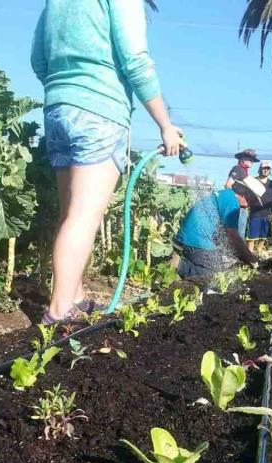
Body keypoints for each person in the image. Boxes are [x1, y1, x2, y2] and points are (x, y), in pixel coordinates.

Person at [31, 0, 183, 324]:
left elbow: (38, 60)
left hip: (58, 108)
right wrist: (165, 125)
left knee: (70, 212)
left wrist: (67, 88)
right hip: (99, 111)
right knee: (85, 214)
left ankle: (75, 297)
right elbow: (136, 61)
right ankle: (59, 311)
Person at [174, 177, 264, 278]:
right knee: (216, 277)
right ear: (246, 193)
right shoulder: (233, 203)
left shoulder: (226, 194)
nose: (249, 205)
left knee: (221, 265)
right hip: (196, 241)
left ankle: (182, 260)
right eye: (252, 200)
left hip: (187, 237)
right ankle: (178, 265)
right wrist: (250, 259)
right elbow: (233, 237)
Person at [224, 149, 260, 240]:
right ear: (242, 159)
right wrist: (238, 198)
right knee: (237, 233)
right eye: (249, 159)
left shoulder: (245, 173)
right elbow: (228, 185)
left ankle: (237, 252)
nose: (251, 161)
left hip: (242, 208)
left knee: (241, 231)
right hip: (236, 207)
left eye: (252, 160)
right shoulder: (237, 169)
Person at [246, 160, 272, 252]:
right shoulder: (253, 181)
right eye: (264, 168)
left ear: (270, 171)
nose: (266, 170)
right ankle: (250, 254)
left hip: (267, 214)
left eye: (268, 169)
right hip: (255, 213)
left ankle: (259, 255)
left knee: (263, 237)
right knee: (252, 237)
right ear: (260, 169)